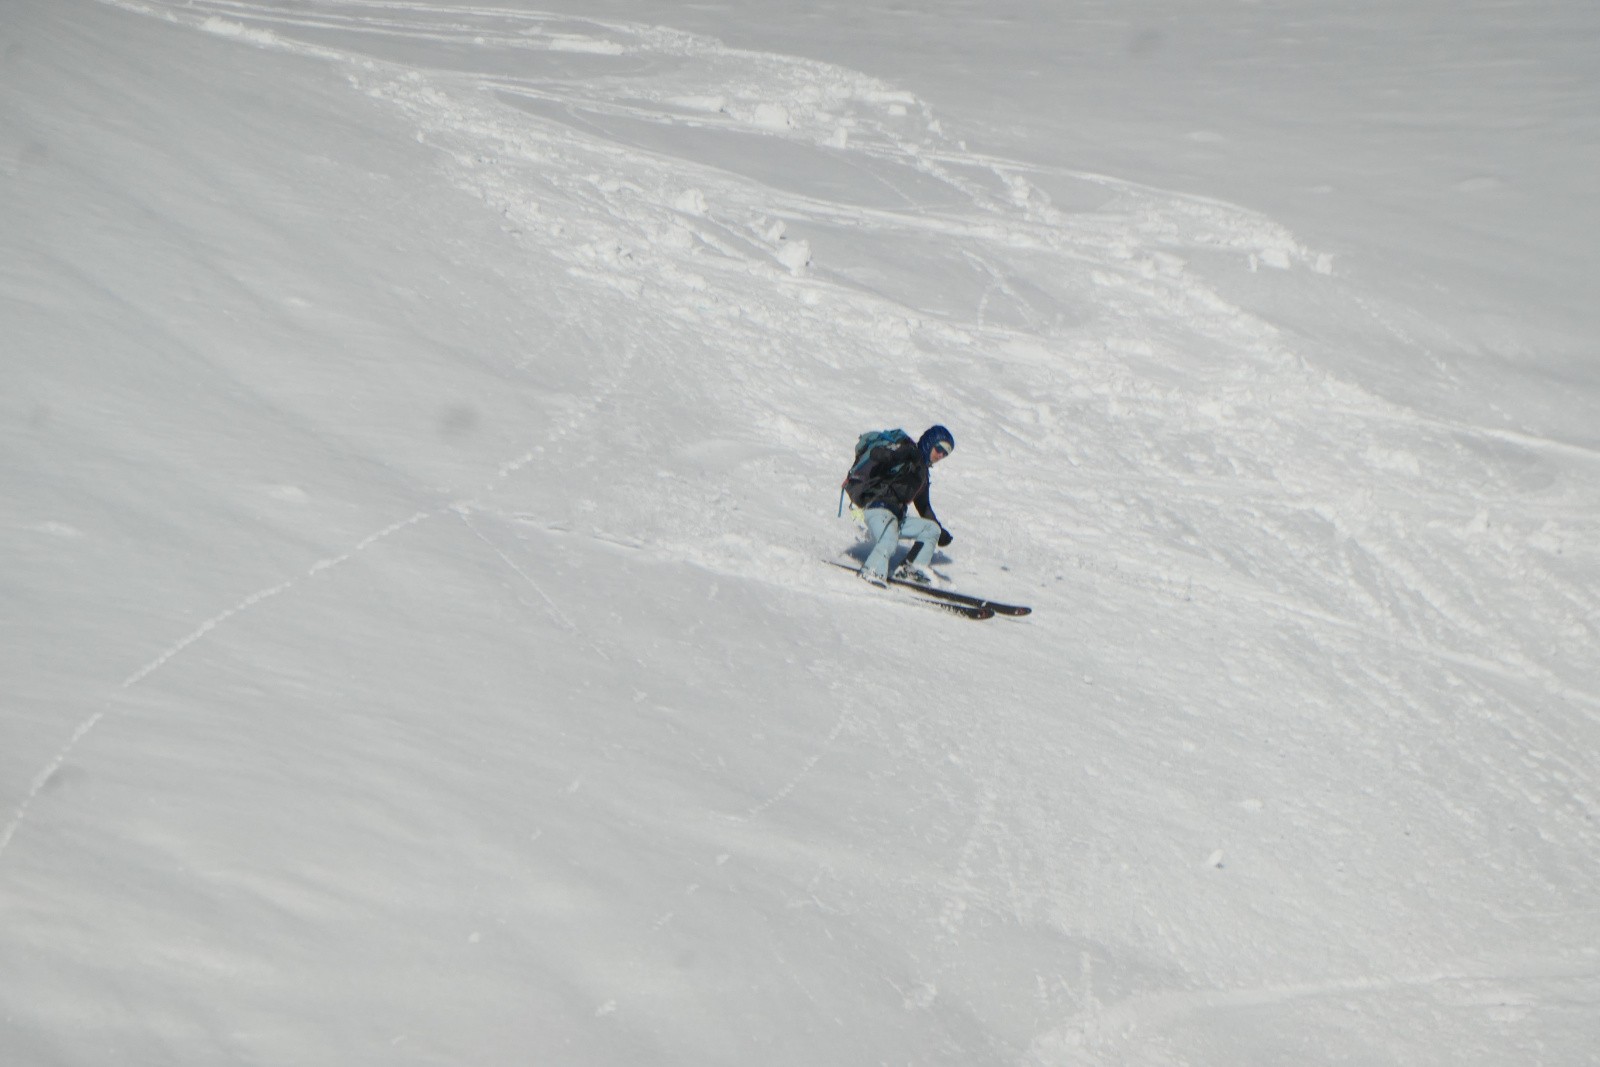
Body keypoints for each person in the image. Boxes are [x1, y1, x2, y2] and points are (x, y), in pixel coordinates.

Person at [853, 424, 955, 585]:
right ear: (930, 443)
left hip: (896, 518)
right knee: (889, 539)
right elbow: (881, 455)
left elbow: (924, 507)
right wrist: (885, 455)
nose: (941, 455)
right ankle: (871, 571)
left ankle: (910, 570)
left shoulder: (922, 475)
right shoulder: (909, 452)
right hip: (878, 509)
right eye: (939, 448)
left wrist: (940, 532)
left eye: (946, 453)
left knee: (931, 529)